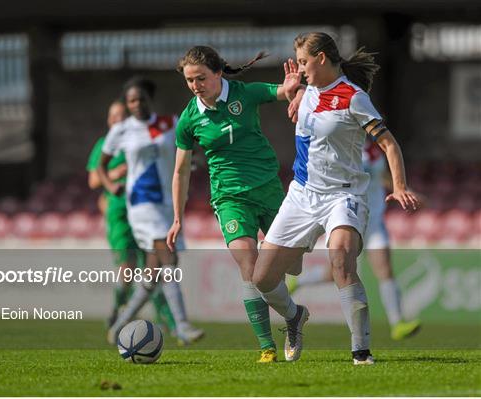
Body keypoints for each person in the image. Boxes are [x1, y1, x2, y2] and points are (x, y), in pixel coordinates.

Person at [251, 32, 422, 365]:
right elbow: (302, 92)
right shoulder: (306, 92)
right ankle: (295, 316)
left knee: (341, 262)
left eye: (303, 62)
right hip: (301, 195)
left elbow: (389, 144)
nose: (299, 69)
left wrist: (398, 186)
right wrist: (294, 92)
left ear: (322, 59)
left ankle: (361, 353)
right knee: (263, 279)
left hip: (343, 195)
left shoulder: (353, 98)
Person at [166, 46, 300, 363]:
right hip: (229, 197)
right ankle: (267, 346)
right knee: (250, 270)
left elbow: (281, 91)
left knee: (293, 265)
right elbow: (180, 170)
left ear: (218, 73)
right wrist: (176, 217)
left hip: (268, 190)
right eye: (189, 80)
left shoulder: (246, 94)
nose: (195, 85)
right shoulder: (189, 119)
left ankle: (293, 315)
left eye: (201, 78)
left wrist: (292, 87)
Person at [98, 78, 204, 346]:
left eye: (141, 98)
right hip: (142, 202)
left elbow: (187, 152)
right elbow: (102, 164)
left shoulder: (170, 122)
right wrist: (111, 185)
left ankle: (120, 325)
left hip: (169, 203)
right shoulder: (122, 130)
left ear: (150, 98)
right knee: (168, 257)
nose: (136, 104)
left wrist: (191, 164)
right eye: (131, 100)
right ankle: (182, 326)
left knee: (154, 271)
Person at [286, 138, 422, 340]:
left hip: (374, 221)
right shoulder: (341, 147)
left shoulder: (375, 150)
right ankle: (300, 281)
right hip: (350, 218)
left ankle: (398, 323)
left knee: (385, 270)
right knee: (336, 272)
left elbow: (381, 176)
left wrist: (404, 191)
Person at [86, 100, 177, 335]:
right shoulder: (104, 145)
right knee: (126, 272)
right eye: (113, 116)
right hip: (120, 216)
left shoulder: (142, 139)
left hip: (146, 212)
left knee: (153, 268)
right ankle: (117, 309)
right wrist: (113, 174)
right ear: (109, 121)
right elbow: (94, 180)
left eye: (121, 116)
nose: (117, 120)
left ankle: (168, 320)